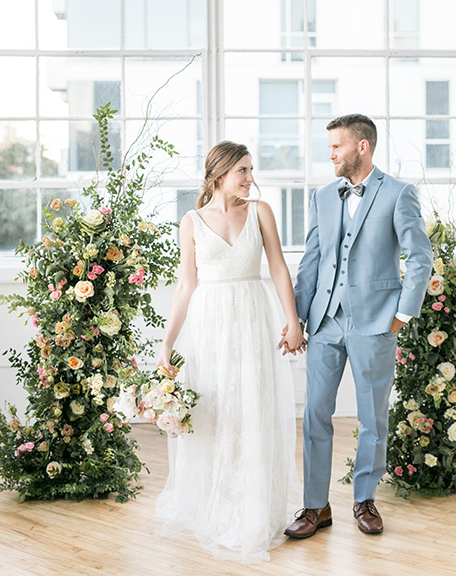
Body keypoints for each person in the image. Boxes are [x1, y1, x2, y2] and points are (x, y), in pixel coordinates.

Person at [156, 140, 305, 563]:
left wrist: (292, 321)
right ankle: (217, 502)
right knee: (217, 410)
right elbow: (186, 285)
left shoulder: (260, 212)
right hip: (210, 324)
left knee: (253, 407)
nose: (250, 178)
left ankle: (253, 506)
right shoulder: (190, 221)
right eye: (243, 170)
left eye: (251, 169)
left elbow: (278, 266)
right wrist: (167, 342)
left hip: (253, 319)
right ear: (220, 173)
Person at [284, 114, 433, 539]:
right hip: (326, 322)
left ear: (362, 147)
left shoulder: (399, 194)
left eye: (337, 146)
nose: (330, 154)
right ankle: (316, 507)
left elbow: (419, 258)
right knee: (314, 414)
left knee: (372, 418)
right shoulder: (323, 197)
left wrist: (402, 314)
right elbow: (310, 261)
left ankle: (364, 499)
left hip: (375, 322)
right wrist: (296, 317)